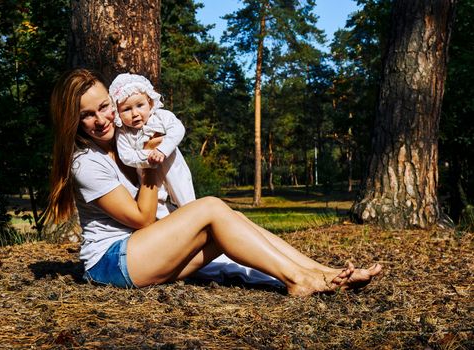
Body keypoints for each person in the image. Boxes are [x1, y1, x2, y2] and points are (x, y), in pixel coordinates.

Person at [45, 68, 382, 297]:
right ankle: (298, 279)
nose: (100, 119)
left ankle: (325, 273)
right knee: (210, 207)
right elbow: (142, 219)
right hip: (111, 262)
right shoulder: (85, 163)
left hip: (141, 251)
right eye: (86, 115)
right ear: (72, 121)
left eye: (104, 107)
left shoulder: (123, 139)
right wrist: (150, 163)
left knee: (229, 223)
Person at [108, 73, 194, 219]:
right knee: (156, 203)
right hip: (147, 174)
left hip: (172, 166)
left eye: (140, 105)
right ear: (117, 113)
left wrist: (162, 149)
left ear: (150, 103)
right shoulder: (123, 132)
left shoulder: (161, 116)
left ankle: (194, 217)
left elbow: (178, 130)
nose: (135, 113)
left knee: (183, 193)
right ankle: (170, 222)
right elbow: (126, 155)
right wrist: (148, 156)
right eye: (126, 109)